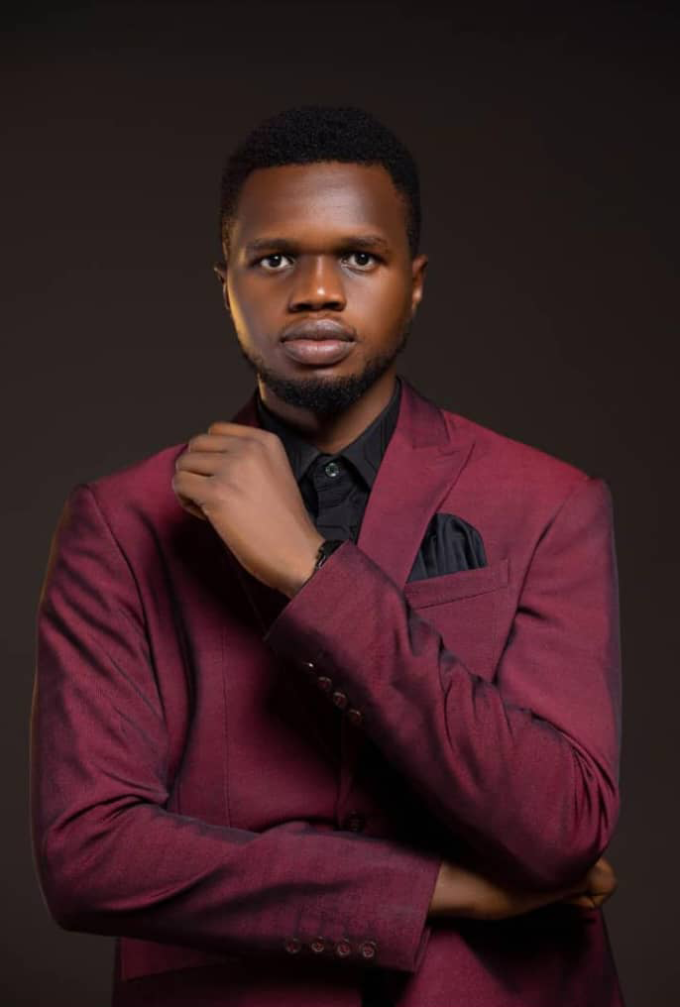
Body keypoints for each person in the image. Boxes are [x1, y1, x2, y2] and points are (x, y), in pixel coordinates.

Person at [31, 106, 624, 1007]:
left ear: (414, 284)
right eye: (276, 259)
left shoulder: (550, 502)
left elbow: (562, 826)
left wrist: (312, 571)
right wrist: (435, 888)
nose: (316, 290)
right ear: (226, 284)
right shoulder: (119, 523)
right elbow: (89, 855)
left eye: (358, 257)